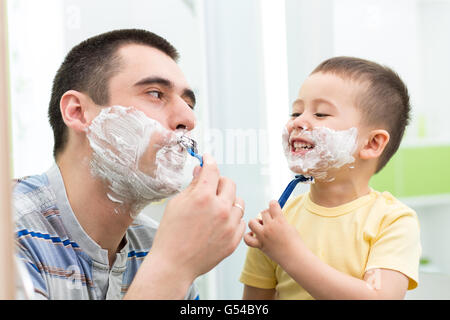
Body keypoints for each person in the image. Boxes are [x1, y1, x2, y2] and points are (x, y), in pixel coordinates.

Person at [13, 29, 246, 300]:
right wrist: (171, 267)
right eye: (156, 94)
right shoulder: (11, 230)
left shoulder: (153, 244)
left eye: (189, 103)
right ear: (77, 112)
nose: (189, 118)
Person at [240, 56, 421, 300]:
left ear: (372, 143)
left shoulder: (392, 221)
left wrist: (289, 254)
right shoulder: (275, 225)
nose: (298, 122)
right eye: (295, 112)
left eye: (321, 114)